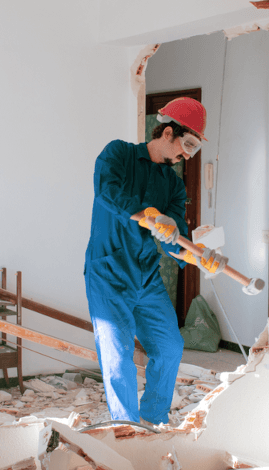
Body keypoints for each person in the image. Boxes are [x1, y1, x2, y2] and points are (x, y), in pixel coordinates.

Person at [84, 97, 227, 426]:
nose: (188, 154)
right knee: (118, 356)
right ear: (167, 131)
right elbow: (106, 191)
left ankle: (153, 421)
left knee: (170, 346)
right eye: (187, 143)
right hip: (108, 274)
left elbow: (176, 240)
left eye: (194, 148)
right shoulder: (118, 154)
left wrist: (201, 258)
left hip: (146, 278)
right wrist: (146, 214)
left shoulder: (174, 186)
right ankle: (127, 428)